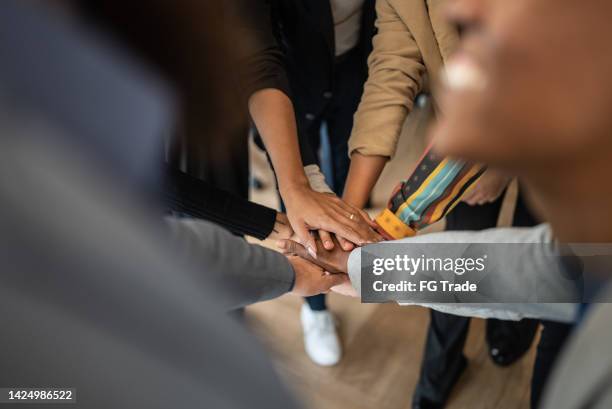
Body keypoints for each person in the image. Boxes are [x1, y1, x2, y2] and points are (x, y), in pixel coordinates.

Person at [340, 1, 538, 406]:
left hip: (554, 131)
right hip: (468, 132)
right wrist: (349, 214)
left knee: (538, 252)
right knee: (463, 251)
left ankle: (513, 334)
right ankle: (440, 369)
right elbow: (391, 70)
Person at [234, 0, 378, 366]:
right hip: (287, 76)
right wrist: (302, 182)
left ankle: (333, 258)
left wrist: (349, 218)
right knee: (299, 200)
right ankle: (315, 307)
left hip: (357, 67)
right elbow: (258, 60)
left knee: (341, 176)